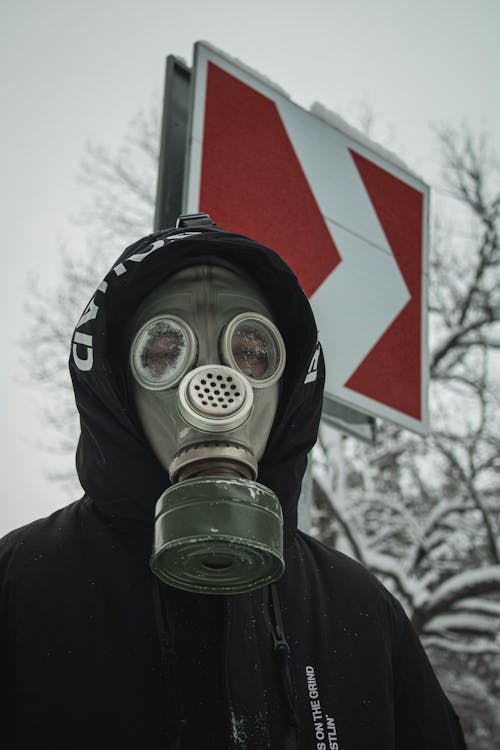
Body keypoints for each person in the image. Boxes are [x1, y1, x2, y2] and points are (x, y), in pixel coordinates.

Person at [0, 215, 467, 749]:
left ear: (290, 384)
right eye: (163, 352)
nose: (214, 388)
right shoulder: (19, 591)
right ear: (117, 385)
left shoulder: (361, 614)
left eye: (250, 354)